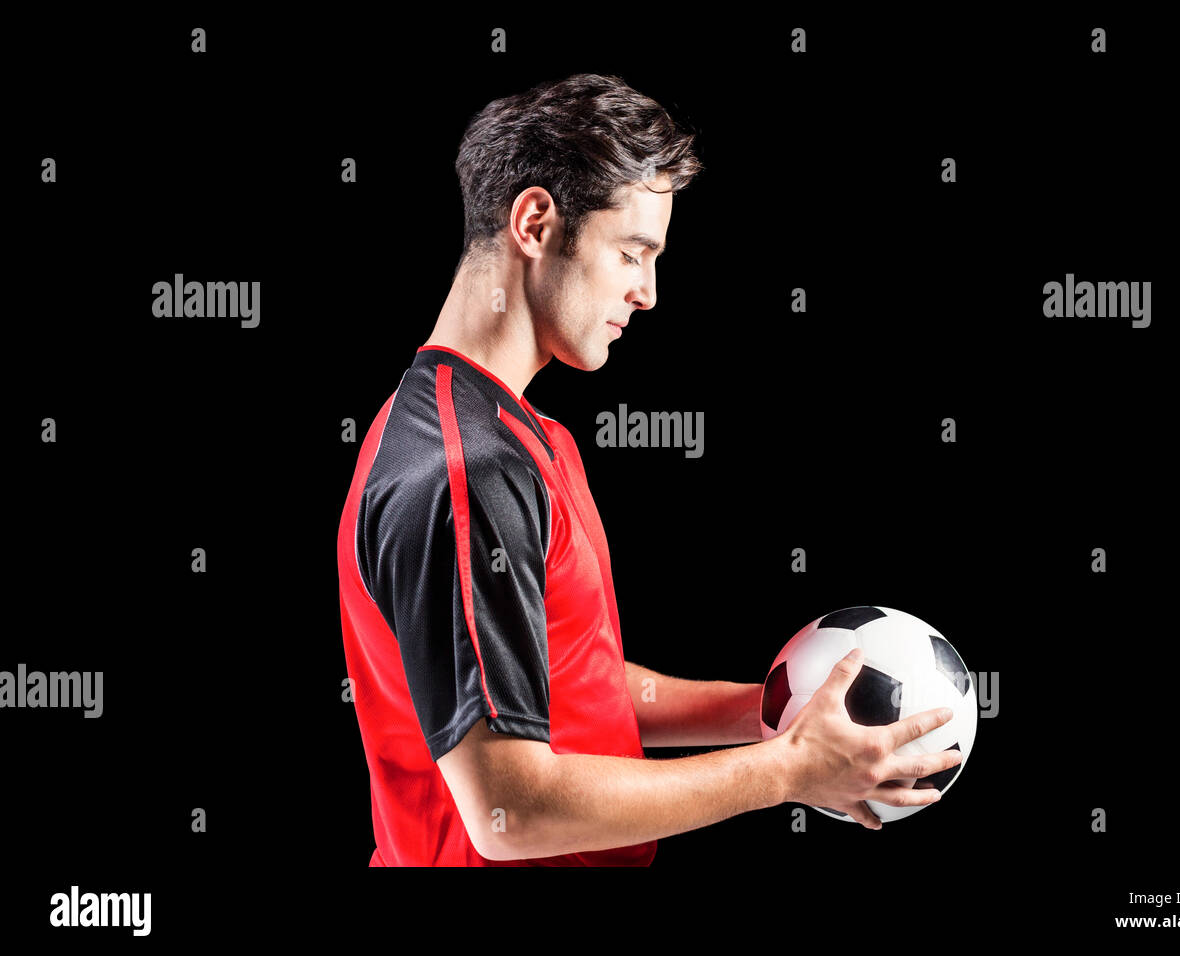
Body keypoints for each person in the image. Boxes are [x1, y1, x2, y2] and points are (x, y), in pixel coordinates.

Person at [336, 73, 962, 865]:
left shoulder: (521, 435)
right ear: (535, 222)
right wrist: (787, 771)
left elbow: (566, 681)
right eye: (633, 251)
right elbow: (509, 810)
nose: (648, 291)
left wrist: (772, 710)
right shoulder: (467, 471)